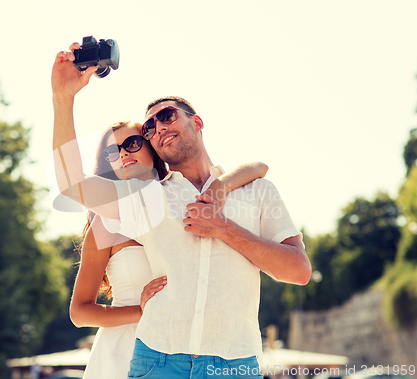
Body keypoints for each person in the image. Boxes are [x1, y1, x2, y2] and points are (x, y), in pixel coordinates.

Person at [52, 43, 312, 378]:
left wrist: (224, 228)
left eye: (166, 116)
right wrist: (64, 97)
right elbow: (72, 184)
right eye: (149, 127)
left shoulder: (258, 191)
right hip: (157, 360)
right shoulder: (147, 197)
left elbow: (299, 271)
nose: (157, 127)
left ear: (197, 121)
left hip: (236, 363)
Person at [67, 119, 268, 379]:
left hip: (186, 347)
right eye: (113, 152)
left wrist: (221, 185)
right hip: (123, 351)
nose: (124, 153)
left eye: (132, 143)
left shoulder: (181, 202)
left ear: (152, 148)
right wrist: (141, 311)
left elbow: (259, 167)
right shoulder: (105, 225)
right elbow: (79, 312)